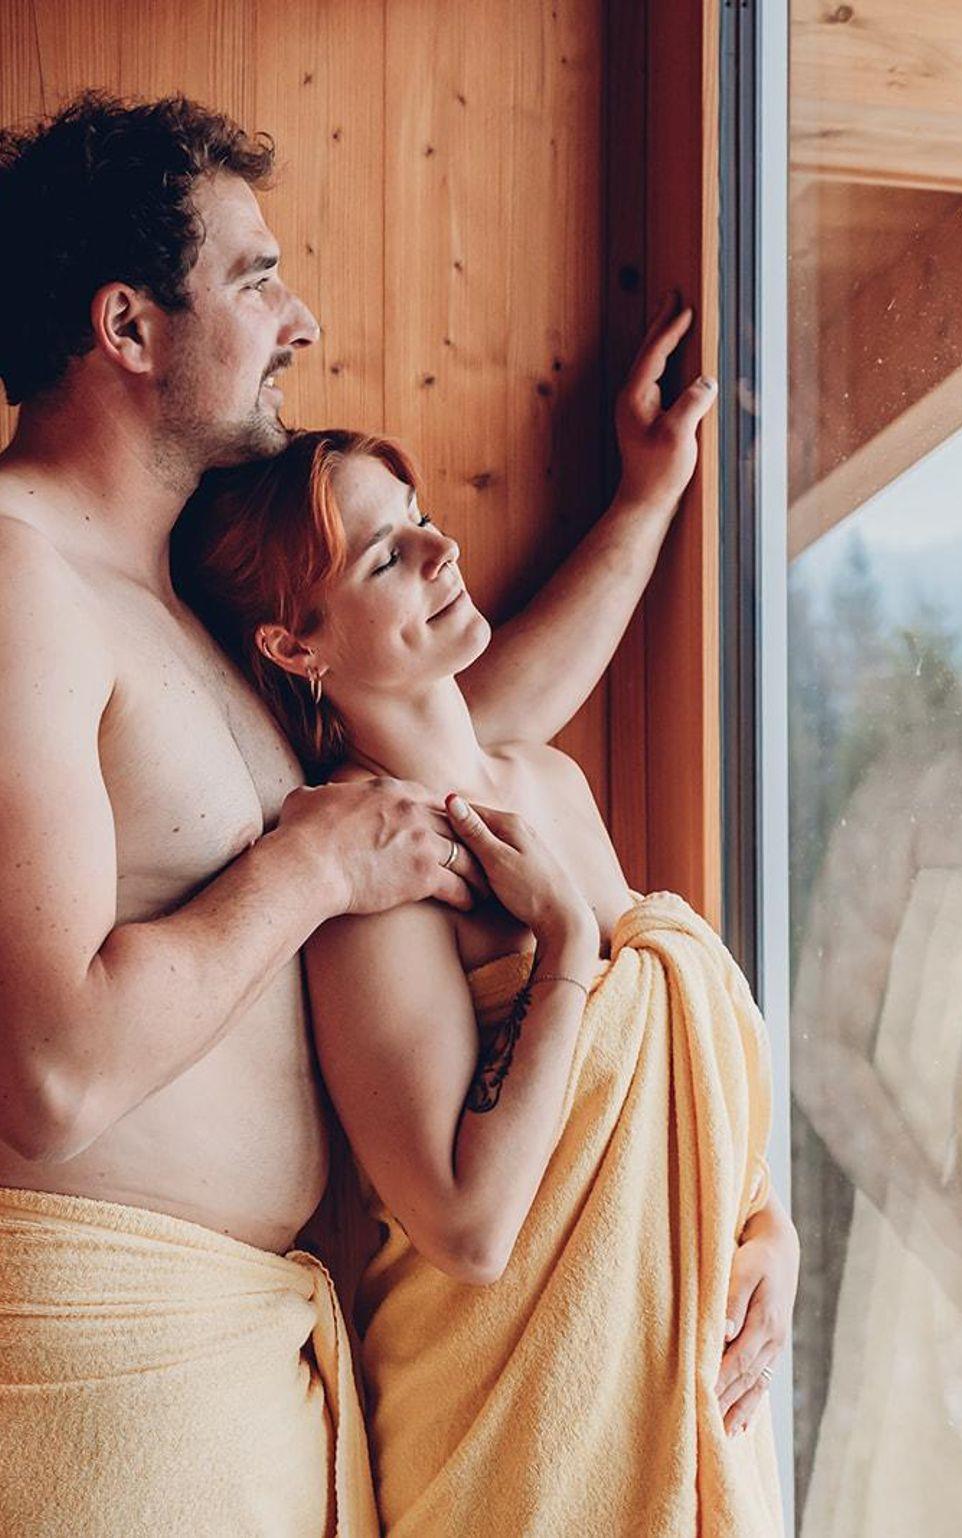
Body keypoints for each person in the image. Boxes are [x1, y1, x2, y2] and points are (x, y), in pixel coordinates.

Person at [0, 92, 715, 1534]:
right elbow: (51, 1075)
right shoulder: (18, 581)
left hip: (251, 1364)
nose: (300, 319)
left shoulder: (166, 601)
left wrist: (644, 509)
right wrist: (312, 869)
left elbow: (454, 722)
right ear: (128, 326)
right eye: (256, 279)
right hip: (107, 1369)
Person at [176, 425, 794, 1536]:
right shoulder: (370, 886)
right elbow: (467, 1227)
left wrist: (765, 1226)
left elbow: (672, 1081)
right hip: (515, 1441)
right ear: (294, 645)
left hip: (668, 1389)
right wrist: (562, 947)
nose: (439, 548)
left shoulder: (548, 783)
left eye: (418, 517)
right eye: (385, 556)